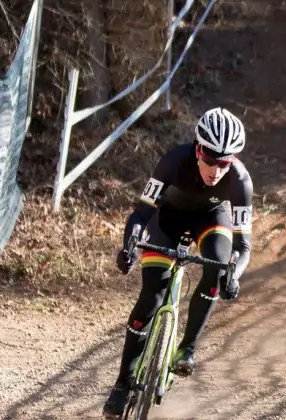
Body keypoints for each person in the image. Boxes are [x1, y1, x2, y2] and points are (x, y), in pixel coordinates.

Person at [103, 107, 254, 419]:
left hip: (211, 220)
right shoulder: (173, 162)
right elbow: (141, 214)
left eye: (225, 162)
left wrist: (234, 274)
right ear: (198, 150)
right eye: (210, 160)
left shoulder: (239, 182)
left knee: (217, 264)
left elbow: (243, 245)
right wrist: (129, 246)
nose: (216, 170)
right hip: (168, 220)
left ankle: (187, 348)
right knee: (152, 295)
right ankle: (122, 384)